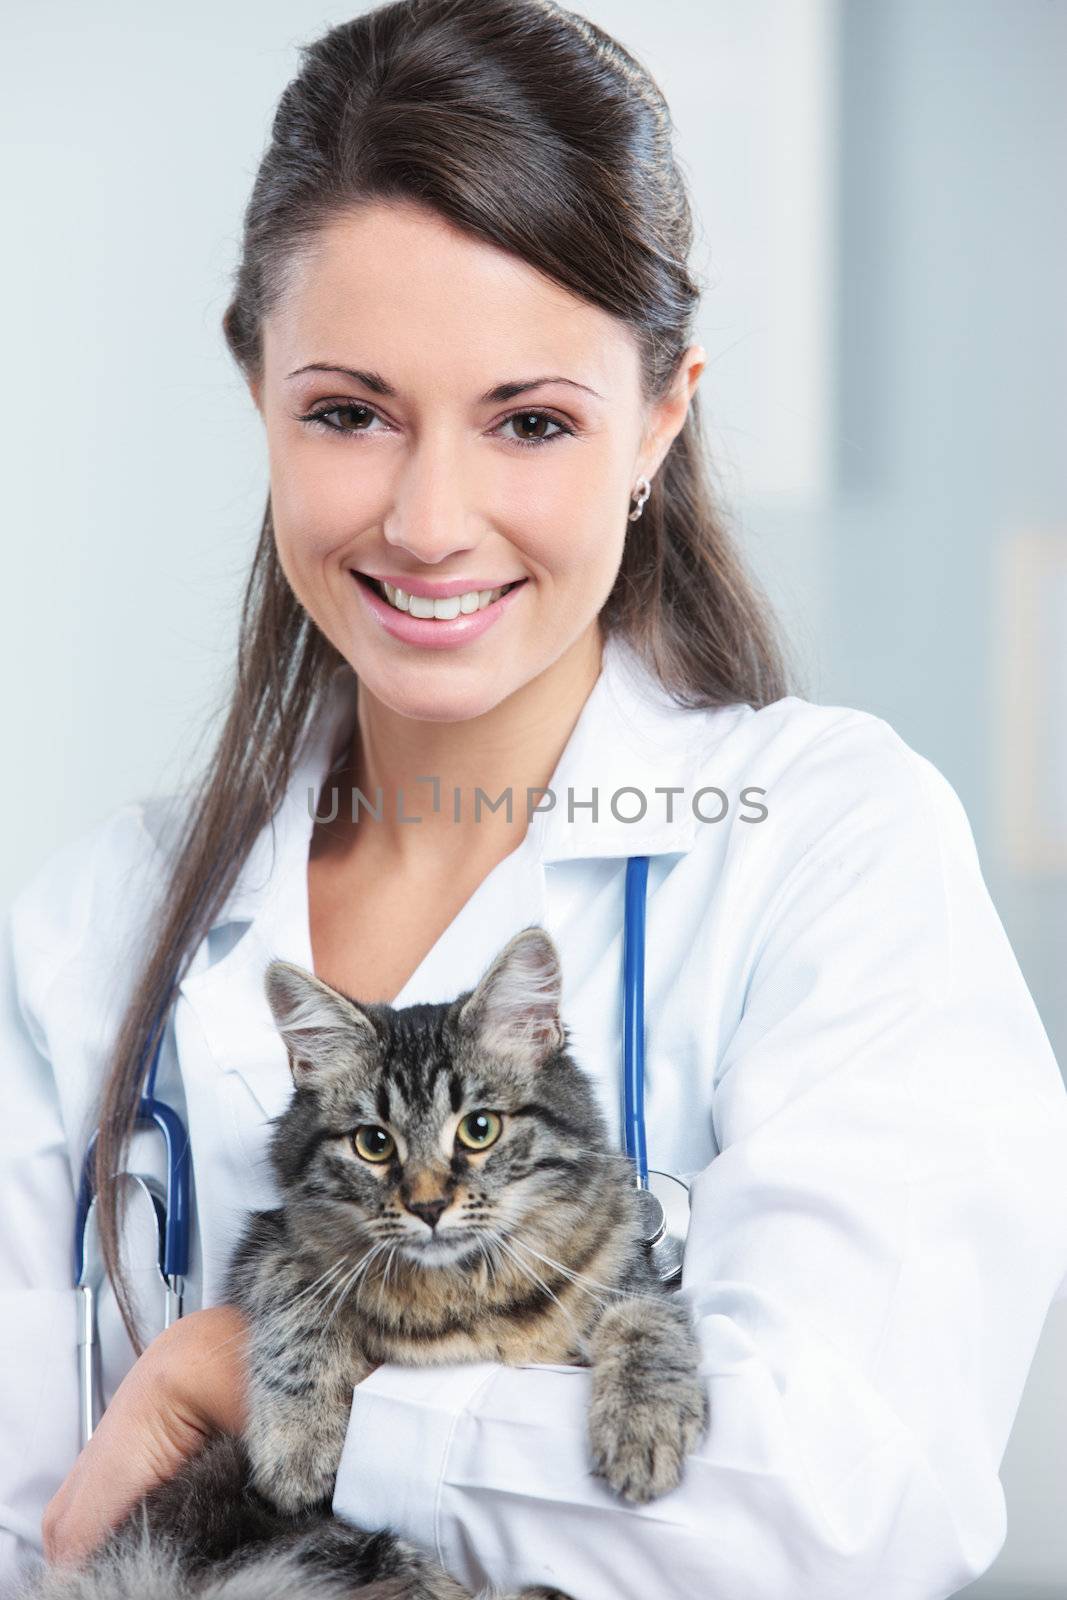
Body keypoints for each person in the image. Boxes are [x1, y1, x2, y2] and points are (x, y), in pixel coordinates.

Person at [3, 2, 1067, 1597]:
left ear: (660, 418)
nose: (432, 521)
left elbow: (848, 1510)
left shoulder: (830, 845)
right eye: (350, 412)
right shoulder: (93, 933)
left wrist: (260, 1381)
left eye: (532, 422)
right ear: (259, 395)